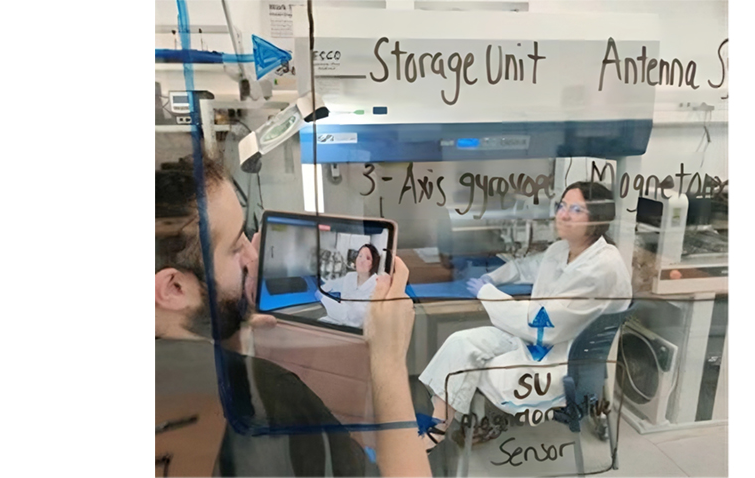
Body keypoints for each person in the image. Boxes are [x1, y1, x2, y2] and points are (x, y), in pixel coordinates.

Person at [155, 160, 430, 476]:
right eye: (234, 247)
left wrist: (228, 334)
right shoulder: (275, 399)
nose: (252, 255)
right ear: (174, 288)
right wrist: (390, 363)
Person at [416, 181, 632, 450]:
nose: (563, 215)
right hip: (539, 343)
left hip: (559, 360)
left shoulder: (601, 267)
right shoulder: (563, 249)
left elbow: (544, 323)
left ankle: (456, 430)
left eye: (576, 210)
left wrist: (487, 293)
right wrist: (492, 278)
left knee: (469, 365)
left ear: (597, 220)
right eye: (562, 206)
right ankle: (436, 432)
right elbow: (526, 267)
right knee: (460, 343)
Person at [316, 244, 381, 328]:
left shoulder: (377, 284)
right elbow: (332, 284)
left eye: (368, 258)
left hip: (356, 328)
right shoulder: (350, 277)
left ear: (374, 263)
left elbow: (355, 315)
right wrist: (322, 289)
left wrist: (324, 299)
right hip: (338, 320)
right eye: (360, 256)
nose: (362, 260)